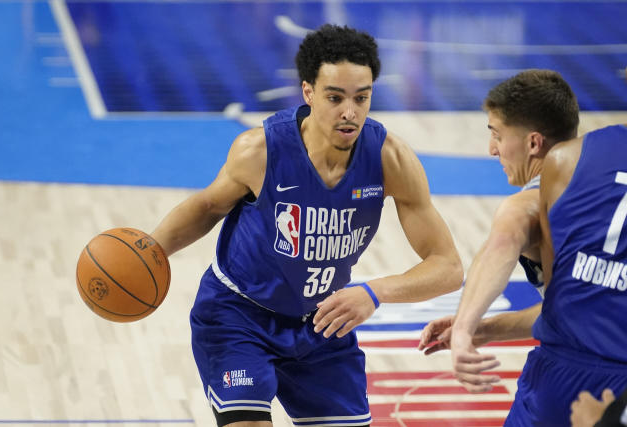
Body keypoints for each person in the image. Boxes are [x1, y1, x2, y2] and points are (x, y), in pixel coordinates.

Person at [151, 24, 463, 427]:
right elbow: (207, 206)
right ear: (308, 92)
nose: (349, 111)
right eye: (335, 97)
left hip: (322, 323)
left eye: (361, 97)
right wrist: (151, 250)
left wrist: (374, 291)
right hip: (239, 315)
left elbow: (449, 267)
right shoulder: (259, 151)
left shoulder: (391, 160)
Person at [417, 70, 579, 391]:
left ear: (533, 142)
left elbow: (501, 244)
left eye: (498, 135)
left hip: (582, 374)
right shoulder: (605, 175)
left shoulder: (530, 205)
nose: (492, 149)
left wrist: (464, 328)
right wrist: (483, 329)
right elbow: (580, 311)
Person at [502, 123, 627, 425]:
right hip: (557, 367)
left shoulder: (570, 159)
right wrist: (479, 329)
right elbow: (564, 304)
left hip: (572, 376)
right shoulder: (567, 161)